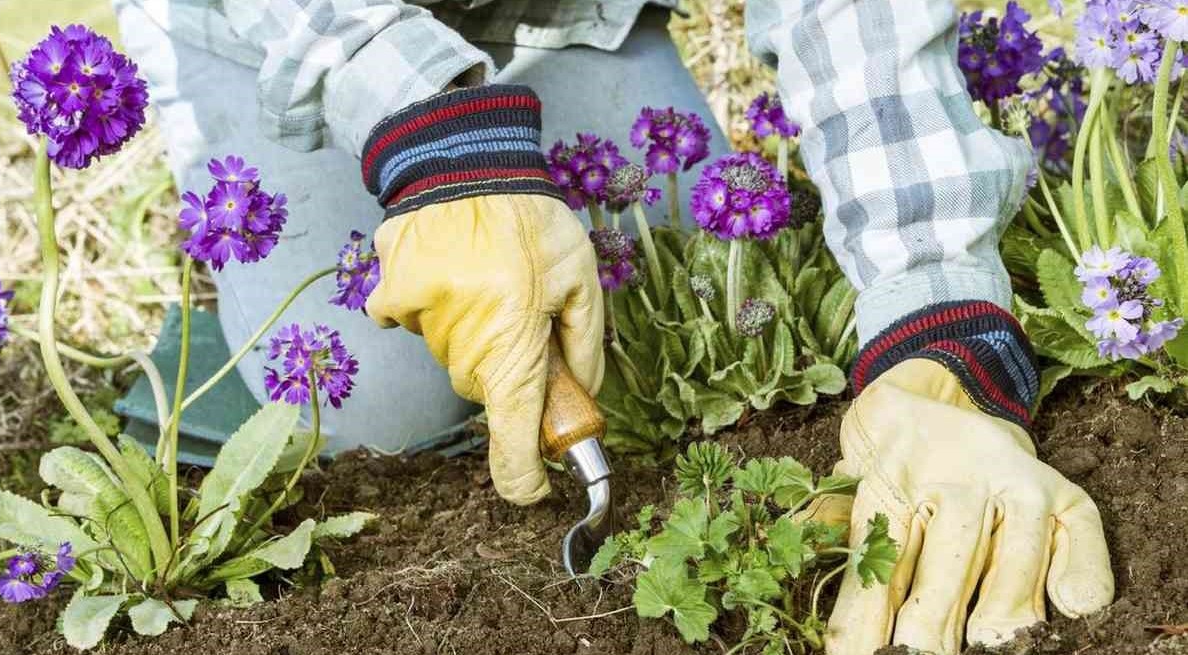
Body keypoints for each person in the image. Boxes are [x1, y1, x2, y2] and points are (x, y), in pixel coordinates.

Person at [112, 0, 1116, 652]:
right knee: (386, 390)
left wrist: (933, 333)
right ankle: (217, 322)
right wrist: (443, 149)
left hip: (553, 13)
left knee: (650, 282)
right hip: (276, 22)